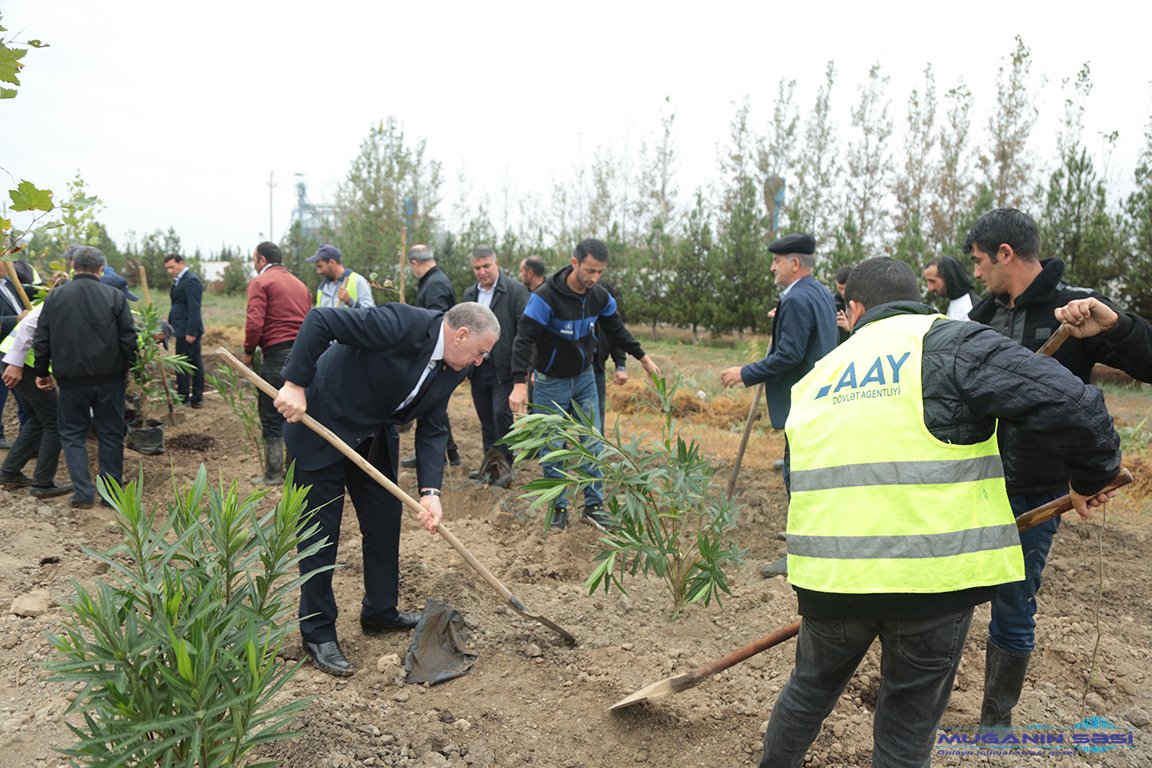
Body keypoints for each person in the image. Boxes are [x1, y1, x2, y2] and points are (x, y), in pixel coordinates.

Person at [757, 256, 1121, 768]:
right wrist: (1091, 475)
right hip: (929, 583)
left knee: (806, 694)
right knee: (906, 728)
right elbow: (1073, 402)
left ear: (855, 308)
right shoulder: (952, 342)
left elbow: (801, 481)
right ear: (916, 298)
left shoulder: (819, 375)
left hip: (831, 581)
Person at [965, 207, 1152, 728]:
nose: (976, 273)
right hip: (976, 483)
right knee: (953, 592)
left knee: (1013, 601)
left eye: (980, 261)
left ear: (1006, 254)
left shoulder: (1077, 309)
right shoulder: (982, 319)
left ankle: (995, 725)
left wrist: (1116, 324)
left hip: (1037, 490)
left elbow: (1149, 361)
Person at [275, 301, 499, 677]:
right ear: (460, 335)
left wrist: (431, 492)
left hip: (371, 435)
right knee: (320, 533)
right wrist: (295, 384)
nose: (480, 361)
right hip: (320, 421)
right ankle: (316, 632)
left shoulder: (456, 366)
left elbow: (433, 424)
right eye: (480, 351)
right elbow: (321, 320)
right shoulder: (401, 324)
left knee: (384, 518)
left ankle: (380, 611)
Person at [509, 237, 661, 531]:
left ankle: (593, 505)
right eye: (590, 271)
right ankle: (558, 507)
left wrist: (642, 358)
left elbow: (617, 329)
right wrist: (519, 383)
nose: (595, 278)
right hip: (551, 380)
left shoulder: (599, 296)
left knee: (593, 440)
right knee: (553, 444)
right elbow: (524, 339)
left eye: (600, 272)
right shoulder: (545, 297)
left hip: (584, 377)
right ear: (574, 262)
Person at [721, 232, 838, 487]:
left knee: (795, 474)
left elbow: (790, 354)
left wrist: (745, 372)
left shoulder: (796, 299)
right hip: (821, 396)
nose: (772, 267)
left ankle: (799, 525)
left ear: (795, 264)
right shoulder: (821, 293)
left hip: (802, 399)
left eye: (777, 260)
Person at [32, 246, 137, 509]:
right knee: (111, 434)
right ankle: (111, 496)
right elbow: (128, 337)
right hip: (109, 378)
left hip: (70, 379)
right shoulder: (114, 296)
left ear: (73, 267)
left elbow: (42, 338)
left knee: (73, 434)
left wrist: (42, 372)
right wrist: (130, 366)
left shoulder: (55, 297)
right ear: (101, 269)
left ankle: (82, 494)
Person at [243, 241, 312, 484]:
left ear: (261, 260)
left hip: (276, 356)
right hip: (303, 357)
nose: (254, 264)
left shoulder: (261, 282)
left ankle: (273, 474)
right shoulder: (299, 284)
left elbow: (254, 322)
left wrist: (248, 350)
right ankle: (294, 473)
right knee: (294, 414)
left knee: (272, 416)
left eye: (254, 259)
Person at [461, 246, 528, 485]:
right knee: (486, 418)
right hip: (478, 367)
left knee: (501, 415)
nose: (482, 272)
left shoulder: (515, 291)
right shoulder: (470, 295)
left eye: (486, 266)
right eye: (477, 268)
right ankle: (489, 467)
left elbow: (524, 331)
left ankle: (504, 467)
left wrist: (525, 368)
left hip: (504, 367)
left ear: (496, 263)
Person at [402, 245, 459, 468]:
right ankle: (449, 454)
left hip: (437, 355)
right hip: (435, 353)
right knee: (433, 406)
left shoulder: (435, 284)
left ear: (415, 263)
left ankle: (441, 456)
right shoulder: (432, 281)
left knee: (431, 406)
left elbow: (438, 321)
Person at [0, 260, 35, 449]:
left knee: (24, 398)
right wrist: (16, 319)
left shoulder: (9, 284)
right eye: (6, 262)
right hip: (3, 348)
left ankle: (26, 442)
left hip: (14, 349)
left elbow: (28, 292)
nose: (10, 265)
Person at [163, 253, 205, 408]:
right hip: (180, 329)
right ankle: (186, 397)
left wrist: (191, 332)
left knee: (190, 364)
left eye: (172, 267)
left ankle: (193, 398)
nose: (170, 271)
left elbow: (194, 308)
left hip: (188, 331)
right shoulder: (179, 281)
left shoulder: (191, 280)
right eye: (167, 268)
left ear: (181, 263)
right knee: (187, 363)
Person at [592, 278, 628, 431]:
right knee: (561, 415)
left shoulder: (605, 292)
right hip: (568, 370)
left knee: (595, 415)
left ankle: (595, 452)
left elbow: (618, 335)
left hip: (596, 367)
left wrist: (620, 365)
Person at [307, 243, 375, 309]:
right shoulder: (322, 288)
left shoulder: (358, 281)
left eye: (320, 266)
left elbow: (370, 314)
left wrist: (350, 302)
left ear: (331, 262)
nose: (318, 271)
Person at [924, 254, 980, 321]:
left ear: (948, 278)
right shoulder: (955, 301)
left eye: (932, 281)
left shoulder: (971, 309)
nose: (930, 288)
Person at [833, 264, 853, 343]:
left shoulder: (863, 301)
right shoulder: (832, 301)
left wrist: (850, 328)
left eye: (845, 289)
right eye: (840, 288)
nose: (843, 293)